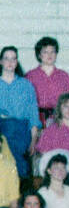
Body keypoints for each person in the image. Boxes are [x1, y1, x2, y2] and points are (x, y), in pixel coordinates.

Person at [0, 45, 40, 176]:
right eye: (6, 58)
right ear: (1, 61)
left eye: (13, 59)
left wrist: (34, 139)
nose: (10, 62)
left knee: (18, 159)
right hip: (2, 128)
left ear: (17, 62)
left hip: (21, 130)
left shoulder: (26, 85)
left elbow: (33, 114)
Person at [24, 37, 69, 128]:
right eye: (45, 52)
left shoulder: (64, 76)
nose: (49, 55)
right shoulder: (30, 76)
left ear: (56, 54)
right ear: (39, 55)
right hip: (36, 117)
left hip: (59, 116)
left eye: (52, 51)